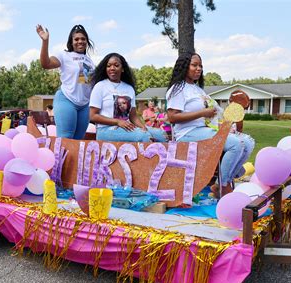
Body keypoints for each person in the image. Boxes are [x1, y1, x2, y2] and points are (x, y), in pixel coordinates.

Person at [166, 52, 254, 197]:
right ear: (184, 67)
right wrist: (203, 113)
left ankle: (225, 180)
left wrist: (220, 126)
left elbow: (208, 116)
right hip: (187, 133)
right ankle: (224, 185)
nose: (199, 68)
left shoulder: (198, 89)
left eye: (200, 65)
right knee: (235, 144)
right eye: (194, 65)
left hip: (204, 130)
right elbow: (172, 117)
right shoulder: (178, 89)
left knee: (247, 142)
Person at [89, 53, 168, 142]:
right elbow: (92, 116)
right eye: (108, 66)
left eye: (116, 65)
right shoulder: (100, 86)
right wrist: (117, 122)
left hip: (126, 127)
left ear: (122, 69)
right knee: (144, 136)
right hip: (105, 130)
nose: (112, 68)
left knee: (162, 135)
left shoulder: (129, 88)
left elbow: (133, 116)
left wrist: (143, 127)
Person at [36, 24, 95, 139]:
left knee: (78, 142)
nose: (80, 41)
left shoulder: (90, 61)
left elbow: (88, 83)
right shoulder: (64, 55)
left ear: (87, 41)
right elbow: (46, 64)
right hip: (67, 100)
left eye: (83, 39)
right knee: (65, 139)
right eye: (76, 39)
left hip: (84, 105)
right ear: (71, 42)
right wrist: (45, 41)